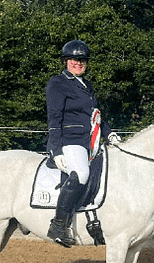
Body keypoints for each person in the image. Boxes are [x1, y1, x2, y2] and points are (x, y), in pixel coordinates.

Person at [44, 40, 120, 248]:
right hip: (71, 141)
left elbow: (95, 116)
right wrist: (56, 149)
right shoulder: (58, 83)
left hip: (90, 142)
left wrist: (110, 133)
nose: (78, 63)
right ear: (66, 61)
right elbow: (54, 117)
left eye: (82, 60)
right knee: (82, 174)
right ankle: (58, 225)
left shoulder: (87, 85)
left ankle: (95, 221)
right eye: (74, 59)